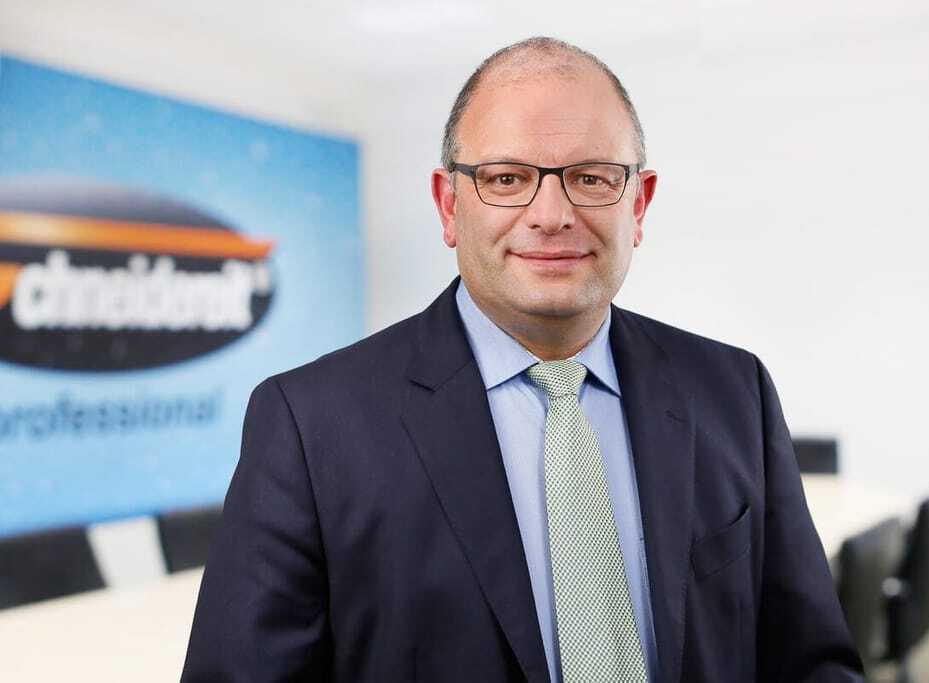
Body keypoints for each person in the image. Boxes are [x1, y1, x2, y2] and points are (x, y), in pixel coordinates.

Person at [182, 37, 863, 682]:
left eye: (591, 177)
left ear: (639, 204)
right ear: (449, 205)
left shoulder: (734, 391)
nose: (551, 213)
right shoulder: (311, 425)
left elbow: (810, 662)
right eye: (507, 178)